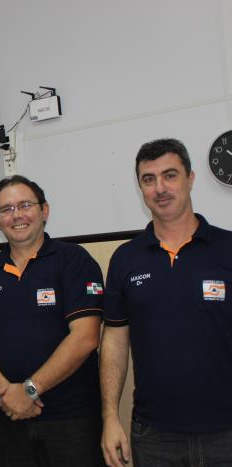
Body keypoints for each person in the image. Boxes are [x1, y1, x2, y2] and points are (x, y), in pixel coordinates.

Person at [100, 138, 232, 467]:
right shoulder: (125, 259)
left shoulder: (227, 249)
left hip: (226, 432)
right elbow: (115, 341)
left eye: (170, 175)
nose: (160, 188)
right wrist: (110, 418)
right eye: (149, 179)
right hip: (155, 435)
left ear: (190, 178)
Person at [0, 175, 105, 467]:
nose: (17, 215)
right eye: (7, 209)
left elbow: (86, 337)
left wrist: (28, 390)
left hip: (72, 421)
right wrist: (8, 393)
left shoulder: (75, 260)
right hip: (10, 417)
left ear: (44, 210)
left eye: (25, 205)